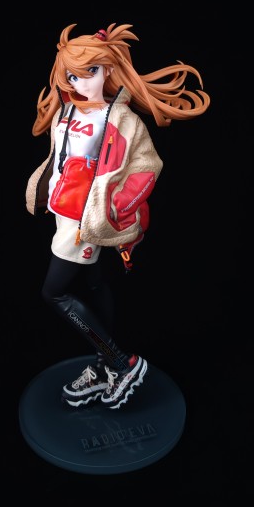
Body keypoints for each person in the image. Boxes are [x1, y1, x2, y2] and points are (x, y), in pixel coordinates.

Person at [25, 23, 210, 409]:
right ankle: (104, 365)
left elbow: (147, 164)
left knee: (54, 292)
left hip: (84, 221)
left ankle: (119, 362)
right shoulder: (67, 109)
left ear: (108, 69)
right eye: (72, 75)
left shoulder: (121, 118)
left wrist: (116, 206)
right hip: (63, 211)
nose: (79, 82)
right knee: (94, 285)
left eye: (89, 71)